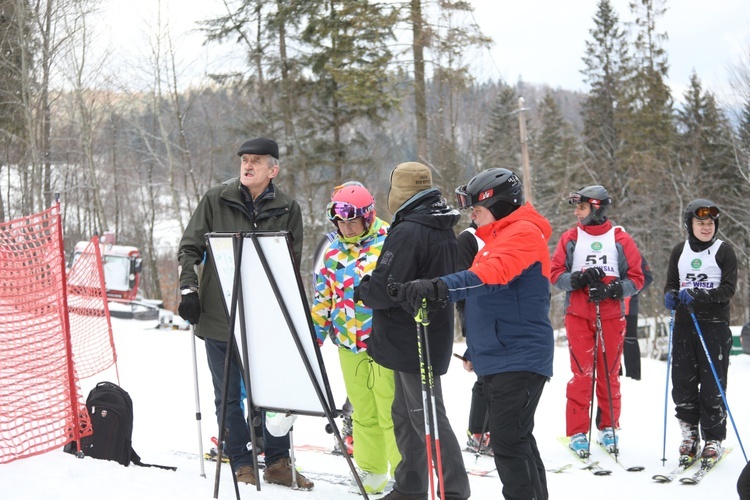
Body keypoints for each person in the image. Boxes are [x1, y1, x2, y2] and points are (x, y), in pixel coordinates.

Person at [394, 168, 554, 500]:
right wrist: (476, 348)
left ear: (500, 204)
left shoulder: (522, 234)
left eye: (477, 207)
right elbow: (493, 300)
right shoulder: (499, 237)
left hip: (518, 356)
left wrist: (438, 287)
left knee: (509, 443)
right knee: (518, 439)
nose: (472, 214)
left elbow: (489, 277)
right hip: (502, 354)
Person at [177, 137, 313, 490]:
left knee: (275, 391)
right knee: (227, 394)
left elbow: (289, 265)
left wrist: (294, 314)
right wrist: (189, 289)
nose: (247, 165)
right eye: (244, 160)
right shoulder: (215, 199)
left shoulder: (288, 208)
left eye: (256, 160)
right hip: (220, 315)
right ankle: (240, 459)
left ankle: (279, 461)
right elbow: (190, 247)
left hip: (266, 318)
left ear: (273, 169)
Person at [356, 161, 470, 500]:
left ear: (400, 190)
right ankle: (411, 485)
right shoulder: (440, 224)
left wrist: (363, 289)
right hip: (424, 332)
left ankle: (453, 491)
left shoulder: (409, 229)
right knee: (405, 415)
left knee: (426, 416)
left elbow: (386, 283)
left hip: (413, 336)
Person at [311, 183, 401, 494]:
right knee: (362, 412)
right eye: (341, 222)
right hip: (349, 344)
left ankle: (404, 475)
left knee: (390, 409)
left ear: (367, 216)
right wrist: (315, 335)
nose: (346, 228)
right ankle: (373, 470)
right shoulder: (334, 251)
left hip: (384, 343)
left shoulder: (388, 243)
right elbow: (324, 298)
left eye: (352, 221)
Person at [550, 185, 644, 456]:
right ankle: (578, 432)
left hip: (612, 316)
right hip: (579, 315)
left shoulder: (620, 239)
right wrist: (576, 280)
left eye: (582, 207)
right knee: (582, 374)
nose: (577, 212)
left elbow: (637, 279)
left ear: (597, 208)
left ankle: (608, 428)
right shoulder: (570, 237)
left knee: (609, 374)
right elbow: (555, 273)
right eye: (576, 207)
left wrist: (615, 289)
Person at [663, 199, 737, 463]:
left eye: (710, 223)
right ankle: (689, 434)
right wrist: (671, 296)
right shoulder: (679, 251)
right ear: (689, 224)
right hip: (685, 324)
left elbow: (728, 290)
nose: (706, 228)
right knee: (682, 382)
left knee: (712, 385)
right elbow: (671, 284)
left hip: (714, 325)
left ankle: (713, 437)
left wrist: (699, 294)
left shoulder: (723, 251)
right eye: (700, 223)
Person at [455, 222, 491, 455]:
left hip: (505, 319)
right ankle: (477, 433)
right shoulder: (469, 238)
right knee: (486, 379)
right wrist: (471, 330)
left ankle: (495, 431)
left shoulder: (510, 233)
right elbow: (461, 287)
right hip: (479, 319)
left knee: (501, 381)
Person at [622, 254, 653, 380]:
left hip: (629, 305)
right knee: (608, 341)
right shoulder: (604, 249)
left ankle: (633, 376)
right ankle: (613, 374)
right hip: (607, 306)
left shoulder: (633, 252)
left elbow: (647, 278)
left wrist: (632, 290)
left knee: (629, 339)